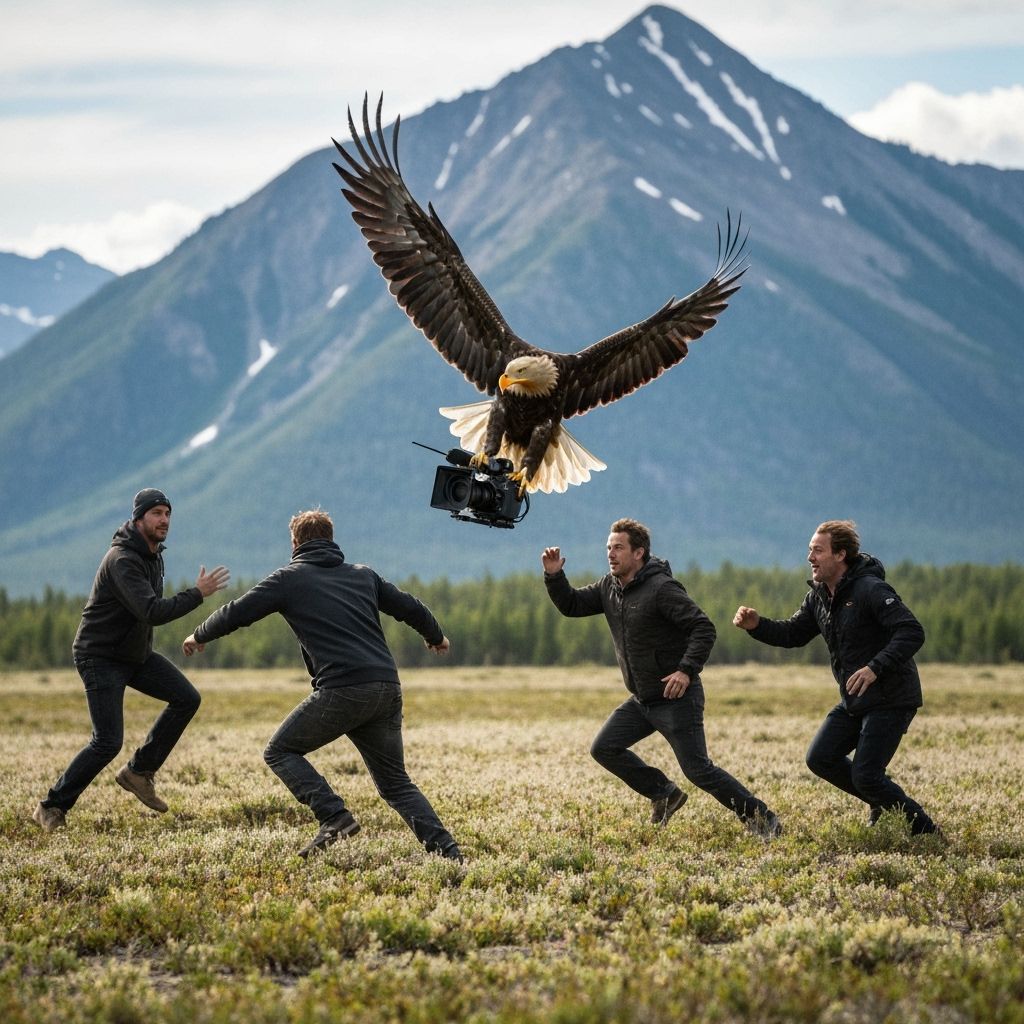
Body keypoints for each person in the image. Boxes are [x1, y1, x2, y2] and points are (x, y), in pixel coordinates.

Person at [182, 509, 462, 861]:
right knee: (396, 784)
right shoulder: (364, 576)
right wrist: (436, 637)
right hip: (386, 687)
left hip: (343, 690)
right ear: (331, 540)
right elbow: (411, 608)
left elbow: (237, 612)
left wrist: (199, 633)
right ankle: (450, 853)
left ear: (295, 543)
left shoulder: (288, 579)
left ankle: (334, 817)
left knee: (279, 751)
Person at [542, 518, 781, 838]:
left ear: (639, 552)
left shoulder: (661, 589)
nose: (611, 554)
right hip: (643, 698)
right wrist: (554, 575)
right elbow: (571, 605)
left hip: (676, 697)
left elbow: (703, 628)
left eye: (618, 548)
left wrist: (685, 670)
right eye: (608, 548)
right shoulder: (607, 588)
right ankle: (664, 794)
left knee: (699, 771)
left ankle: (764, 820)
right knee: (604, 748)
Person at [32, 488, 230, 832]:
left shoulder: (153, 556)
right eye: (156, 514)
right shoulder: (122, 560)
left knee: (186, 698)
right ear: (138, 518)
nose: (164, 520)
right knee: (107, 741)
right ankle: (51, 807)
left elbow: (146, 613)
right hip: (100, 656)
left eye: (168, 513)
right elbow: (151, 611)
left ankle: (139, 772)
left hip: (134, 655)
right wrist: (198, 594)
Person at [732, 520, 940, 835]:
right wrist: (757, 626)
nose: (810, 557)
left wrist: (874, 667)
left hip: (891, 696)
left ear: (840, 554)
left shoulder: (870, 589)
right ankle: (881, 801)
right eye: (809, 550)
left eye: (818, 550)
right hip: (856, 699)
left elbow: (912, 631)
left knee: (866, 775)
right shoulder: (819, 597)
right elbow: (792, 634)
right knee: (821, 757)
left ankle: (926, 832)